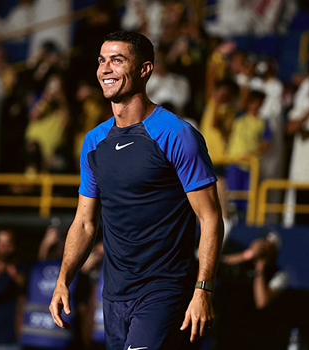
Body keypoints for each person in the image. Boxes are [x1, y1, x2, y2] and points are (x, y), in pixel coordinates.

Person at [49, 31, 224, 350]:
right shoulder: (93, 142)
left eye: (117, 60)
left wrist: (203, 290)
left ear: (145, 69)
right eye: (102, 61)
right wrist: (64, 279)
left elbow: (210, 218)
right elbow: (85, 223)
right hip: (113, 296)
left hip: (163, 292)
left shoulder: (176, 134)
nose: (105, 69)